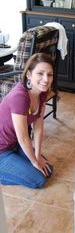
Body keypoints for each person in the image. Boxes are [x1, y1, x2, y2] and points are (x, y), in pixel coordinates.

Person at [0, 53, 54, 189]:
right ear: (29, 75)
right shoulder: (20, 97)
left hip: (14, 145)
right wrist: (34, 162)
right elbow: (23, 137)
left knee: (48, 170)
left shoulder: (42, 93)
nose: (46, 79)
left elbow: (38, 125)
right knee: (38, 180)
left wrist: (37, 156)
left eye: (50, 74)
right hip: (2, 150)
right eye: (40, 74)